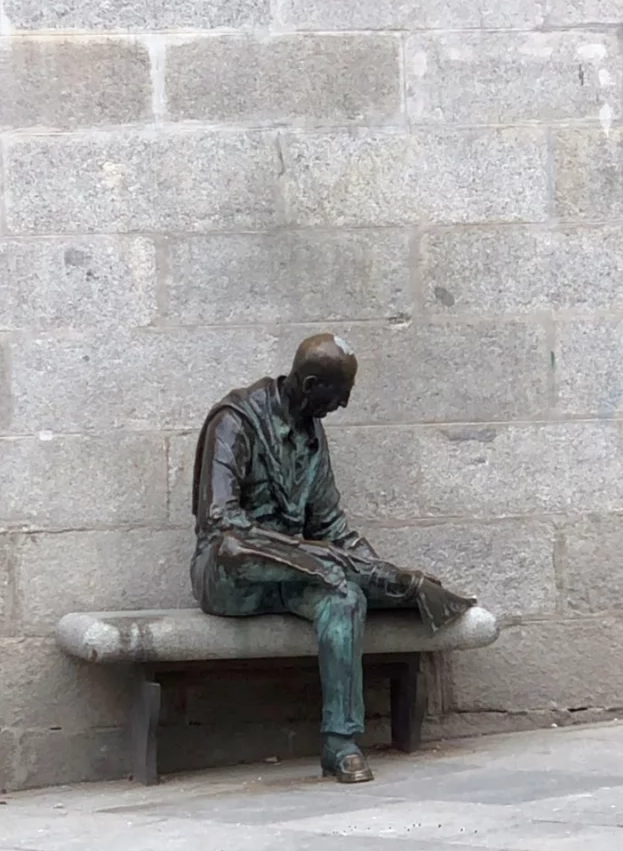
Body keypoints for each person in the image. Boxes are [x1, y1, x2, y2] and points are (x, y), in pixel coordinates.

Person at [191, 333, 475, 783]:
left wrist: (382, 573)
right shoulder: (235, 422)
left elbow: (331, 527)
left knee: (344, 597)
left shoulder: (311, 433)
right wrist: (321, 559)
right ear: (309, 386)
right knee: (252, 552)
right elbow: (220, 523)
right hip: (233, 574)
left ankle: (340, 744)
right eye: (339, 395)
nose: (342, 406)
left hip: (295, 572)